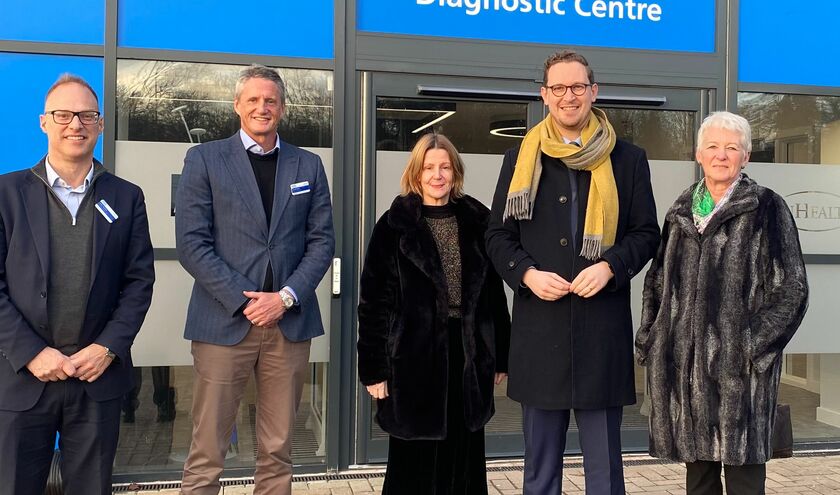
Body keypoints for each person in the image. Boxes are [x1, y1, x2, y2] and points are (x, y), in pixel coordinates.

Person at [486, 50, 660, 494]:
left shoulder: (628, 159)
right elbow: (497, 237)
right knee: (540, 475)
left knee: (604, 474)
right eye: (559, 88)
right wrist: (526, 274)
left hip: (601, 335)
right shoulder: (518, 159)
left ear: (594, 91)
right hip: (540, 336)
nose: (569, 96)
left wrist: (611, 266)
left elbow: (645, 234)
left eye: (578, 86)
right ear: (544, 95)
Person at [176, 64, 334, 495]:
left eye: (271, 101)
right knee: (208, 448)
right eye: (254, 100)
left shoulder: (309, 165)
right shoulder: (205, 159)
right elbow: (191, 243)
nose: (262, 108)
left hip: (288, 324)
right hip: (224, 323)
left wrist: (283, 298)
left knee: (279, 448)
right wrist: (245, 301)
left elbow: (321, 243)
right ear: (237, 106)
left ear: (282, 108)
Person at [635, 111, 809, 495]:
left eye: (732, 148)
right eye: (712, 146)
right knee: (698, 480)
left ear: (745, 157)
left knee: (746, 482)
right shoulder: (680, 211)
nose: (721, 155)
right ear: (698, 154)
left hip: (739, 378)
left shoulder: (766, 207)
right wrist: (651, 336)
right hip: (685, 372)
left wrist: (746, 347)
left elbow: (792, 289)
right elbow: (658, 281)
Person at [0, 74, 155, 494]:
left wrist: (107, 348)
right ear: (44, 122)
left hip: (96, 378)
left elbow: (139, 282)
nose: (75, 124)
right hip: (22, 377)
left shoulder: (126, 197)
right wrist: (30, 352)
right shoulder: (7, 193)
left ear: (100, 125)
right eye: (63, 114)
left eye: (87, 115)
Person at [358, 133, 511, 494]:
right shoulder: (393, 226)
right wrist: (373, 369)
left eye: (444, 167)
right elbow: (373, 303)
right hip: (412, 359)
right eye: (429, 167)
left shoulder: (478, 220)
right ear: (416, 173)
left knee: (464, 461)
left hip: (467, 357)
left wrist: (500, 355)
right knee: (412, 467)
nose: (437, 175)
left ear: (455, 173)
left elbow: (494, 295)